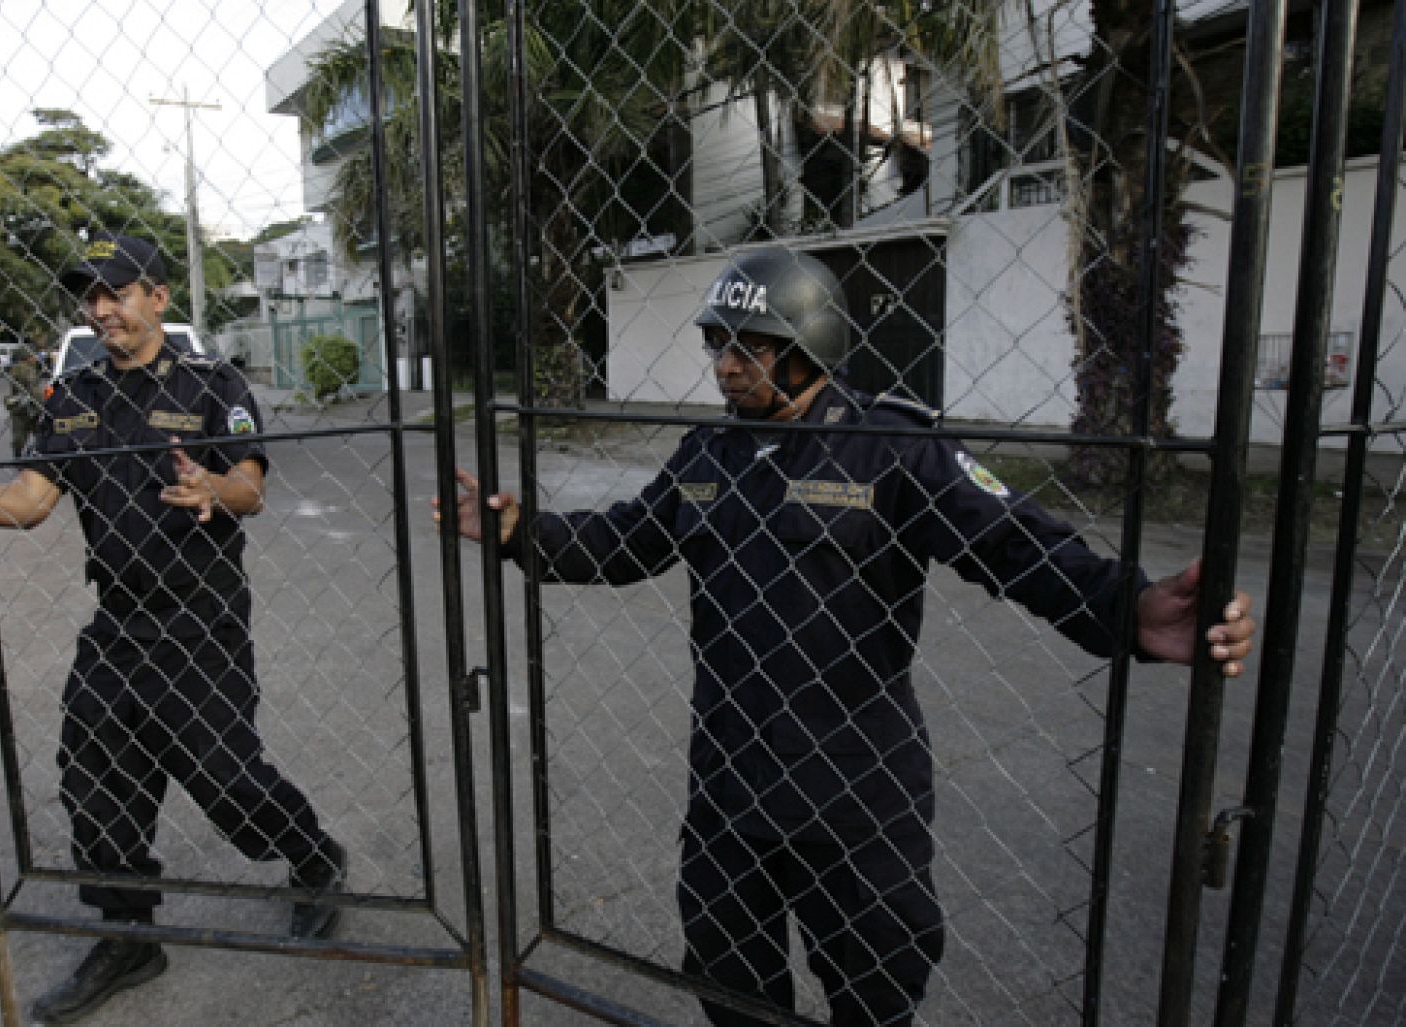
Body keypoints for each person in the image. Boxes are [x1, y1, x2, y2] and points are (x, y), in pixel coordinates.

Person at [438, 248, 1257, 1026]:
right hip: (731, 783)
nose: (725, 366)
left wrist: (1130, 609)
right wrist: (519, 532)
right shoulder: (708, 452)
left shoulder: (891, 445)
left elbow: (1012, 543)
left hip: (855, 793)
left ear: (809, 347)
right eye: (717, 344)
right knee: (727, 976)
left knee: (876, 985)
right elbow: (627, 538)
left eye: (751, 347)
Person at [0, 232, 347, 1025]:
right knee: (94, 775)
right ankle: (129, 933)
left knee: (223, 774)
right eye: (91, 294)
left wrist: (213, 485)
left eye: (117, 291)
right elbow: (30, 503)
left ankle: (314, 858)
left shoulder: (211, 382)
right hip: (119, 619)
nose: (101, 308)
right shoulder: (72, 396)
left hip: (201, 616)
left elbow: (250, 487)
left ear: (158, 297)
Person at [3, 347, 43, 458]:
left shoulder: (16, 368)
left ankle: (18, 457)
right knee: (38, 432)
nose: (35, 358)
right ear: (27, 357)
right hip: (29, 405)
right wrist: (41, 403)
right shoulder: (27, 369)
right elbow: (32, 388)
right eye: (32, 356)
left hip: (18, 405)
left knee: (19, 435)